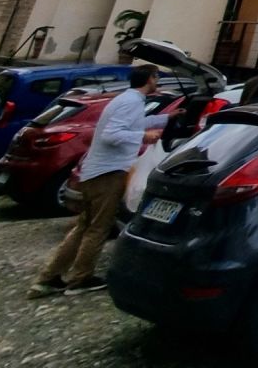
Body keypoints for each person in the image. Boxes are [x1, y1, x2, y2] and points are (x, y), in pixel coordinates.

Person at [28, 63, 169, 298]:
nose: (158, 82)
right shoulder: (131, 102)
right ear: (149, 79)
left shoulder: (126, 100)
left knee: (83, 225)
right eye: (156, 77)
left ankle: (48, 278)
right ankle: (80, 279)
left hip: (94, 171)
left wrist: (165, 119)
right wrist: (144, 135)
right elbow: (112, 135)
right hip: (108, 173)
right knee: (98, 228)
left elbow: (132, 124)